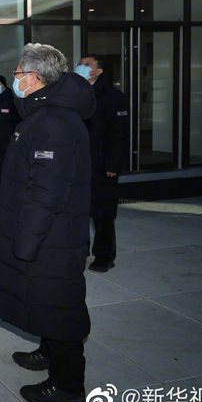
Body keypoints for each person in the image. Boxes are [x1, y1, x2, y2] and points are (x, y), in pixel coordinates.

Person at [0, 43, 95, 402]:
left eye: (17, 74)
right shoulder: (43, 114)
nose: (14, 80)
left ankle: (68, 385)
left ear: (34, 78)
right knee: (46, 300)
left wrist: (26, 241)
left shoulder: (53, 122)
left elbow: (46, 190)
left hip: (52, 236)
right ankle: (48, 352)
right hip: (47, 232)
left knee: (60, 306)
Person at [75, 55, 130, 273]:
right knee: (78, 212)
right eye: (80, 63)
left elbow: (120, 134)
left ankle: (105, 256)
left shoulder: (113, 97)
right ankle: (79, 251)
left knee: (102, 213)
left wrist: (113, 165)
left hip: (102, 164)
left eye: (87, 65)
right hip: (78, 164)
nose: (81, 67)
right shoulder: (75, 94)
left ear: (98, 71)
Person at [0, 73, 21, 216]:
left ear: (4, 86)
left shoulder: (12, 101)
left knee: (2, 177)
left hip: (6, 146)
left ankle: (1, 207)